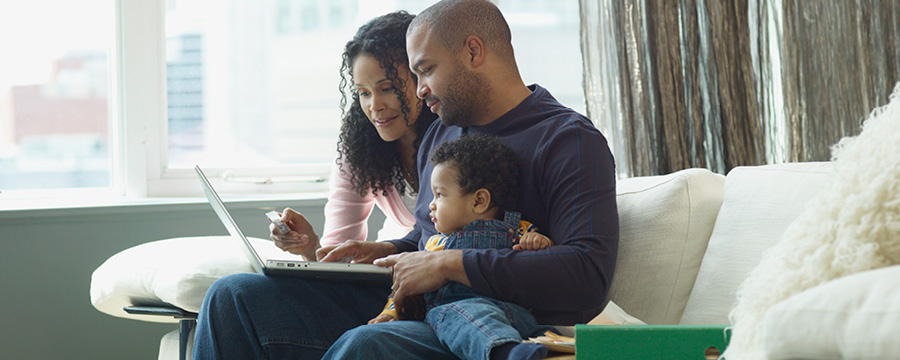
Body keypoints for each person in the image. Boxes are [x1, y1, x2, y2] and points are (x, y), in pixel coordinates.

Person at [192, 1, 618, 359]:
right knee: (233, 298)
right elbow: (429, 237)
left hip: (492, 321)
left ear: (474, 52)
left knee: (369, 345)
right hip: (414, 306)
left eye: (426, 70)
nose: (419, 90)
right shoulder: (442, 131)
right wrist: (385, 249)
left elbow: (587, 279)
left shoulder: (569, 141)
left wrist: (450, 263)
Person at [369, 133, 555, 360]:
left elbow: (546, 258)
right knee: (455, 315)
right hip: (460, 318)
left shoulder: (518, 230)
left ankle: (512, 353)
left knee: (455, 314)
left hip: (512, 314)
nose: (431, 204)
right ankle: (517, 352)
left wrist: (537, 241)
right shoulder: (436, 244)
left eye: (440, 194)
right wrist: (391, 314)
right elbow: (408, 287)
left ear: (479, 201)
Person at [270, 11, 438, 261]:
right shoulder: (362, 146)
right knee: (233, 288)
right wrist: (309, 245)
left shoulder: (453, 135)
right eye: (364, 93)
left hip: (418, 268)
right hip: (385, 272)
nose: (375, 106)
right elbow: (336, 256)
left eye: (387, 88)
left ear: (421, 77)